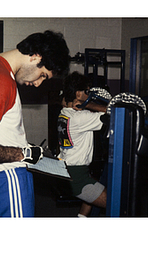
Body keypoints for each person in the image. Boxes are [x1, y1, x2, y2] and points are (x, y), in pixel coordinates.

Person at [0, 30, 70, 217]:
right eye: (43, 75)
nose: (38, 84)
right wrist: (22, 154)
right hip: (6, 180)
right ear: (36, 56)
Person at [57, 71, 109, 217]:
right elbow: (112, 112)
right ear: (79, 94)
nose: (90, 94)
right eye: (87, 91)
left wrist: (82, 105)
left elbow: (64, 100)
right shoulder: (81, 118)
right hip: (77, 176)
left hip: (66, 170)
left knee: (95, 187)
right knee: (116, 203)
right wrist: (89, 104)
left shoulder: (64, 112)